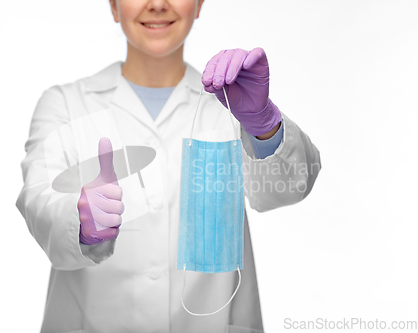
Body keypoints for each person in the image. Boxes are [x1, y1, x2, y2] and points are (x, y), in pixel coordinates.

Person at [16, 0, 321, 332]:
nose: (158, 4)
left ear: (200, 4)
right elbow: (37, 199)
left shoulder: (230, 103)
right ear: (114, 7)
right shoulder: (66, 103)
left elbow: (288, 189)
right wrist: (78, 221)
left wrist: (263, 124)